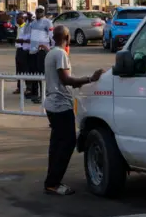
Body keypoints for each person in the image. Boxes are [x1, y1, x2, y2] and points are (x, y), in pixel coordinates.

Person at [43, 25, 103, 196]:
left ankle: (51, 182)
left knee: (56, 145)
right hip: (61, 106)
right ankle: (53, 183)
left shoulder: (51, 53)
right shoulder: (60, 54)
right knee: (67, 143)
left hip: (53, 105)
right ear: (68, 38)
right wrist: (90, 78)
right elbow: (66, 80)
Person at [26, 6, 53, 104]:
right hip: (32, 50)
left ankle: (43, 95)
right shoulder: (33, 23)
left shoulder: (47, 22)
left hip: (42, 51)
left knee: (41, 73)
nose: (39, 13)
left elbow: (52, 36)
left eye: (41, 12)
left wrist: (51, 49)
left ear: (44, 12)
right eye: (37, 12)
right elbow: (27, 33)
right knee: (34, 73)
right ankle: (35, 93)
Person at [13, 13, 30, 94]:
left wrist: (21, 41)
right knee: (18, 69)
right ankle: (19, 87)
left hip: (24, 50)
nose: (16, 20)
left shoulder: (26, 28)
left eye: (18, 18)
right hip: (18, 50)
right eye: (16, 18)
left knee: (25, 69)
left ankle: (28, 87)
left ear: (23, 19)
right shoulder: (18, 27)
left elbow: (29, 40)